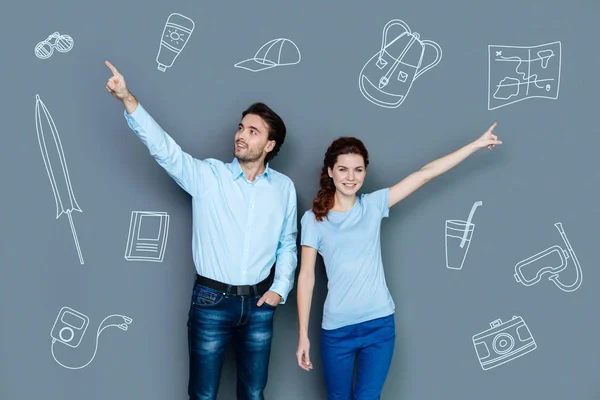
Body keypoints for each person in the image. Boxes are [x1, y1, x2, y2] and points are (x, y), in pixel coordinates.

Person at [104, 60, 298, 400]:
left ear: (269, 145)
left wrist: (279, 289)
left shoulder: (283, 188)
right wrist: (127, 99)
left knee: (253, 394)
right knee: (203, 396)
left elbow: (288, 244)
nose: (240, 135)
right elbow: (166, 151)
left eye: (252, 131)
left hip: (259, 304)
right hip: (211, 301)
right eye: (241, 127)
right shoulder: (209, 177)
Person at [296, 127, 502, 399]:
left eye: (358, 170)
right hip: (337, 330)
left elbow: (426, 173)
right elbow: (306, 277)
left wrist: (472, 146)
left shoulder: (373, 205)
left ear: (365, 173)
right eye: (343, 169)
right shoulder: (314, 220)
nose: (351, 177)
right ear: (331, 171)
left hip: (379, 325)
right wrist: (302, 334)